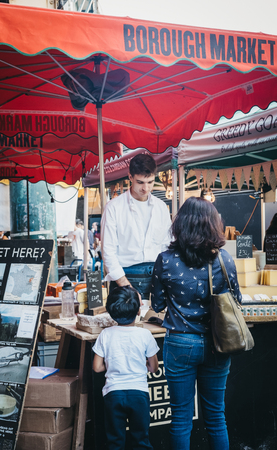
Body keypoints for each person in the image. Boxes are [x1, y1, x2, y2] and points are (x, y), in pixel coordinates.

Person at [151, 196, 242, 450]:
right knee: (215, 416)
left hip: (180, 343)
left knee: (180, 418)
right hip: (218, 343)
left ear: (181, 224)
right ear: (213, 224)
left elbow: (156, 305)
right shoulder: (224, 259)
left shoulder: (166, 260)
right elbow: (237, 299)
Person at [92, 285, 159, 449]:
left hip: (113, 395)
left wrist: (113, 364)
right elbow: (154, 368)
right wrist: (142, 363)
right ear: (138, 312)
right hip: (139, 394)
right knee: (141, 440)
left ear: (111, 312)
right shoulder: (145, 335)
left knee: (115, 441)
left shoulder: (105, 334)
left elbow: (97, 367)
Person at [101, 153, 172, 299]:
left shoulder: (161, 207)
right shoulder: (113, 207)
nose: (146, 188)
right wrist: (126, 286)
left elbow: (167, 246)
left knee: (155, 321)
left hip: (157, 277)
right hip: (125, 277)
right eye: (140, 182)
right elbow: (108, 252)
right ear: (130, 177)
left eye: (150, 182)